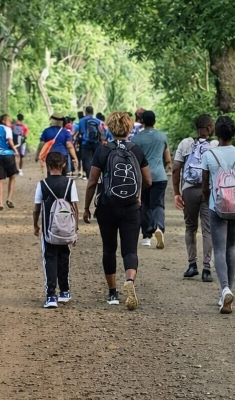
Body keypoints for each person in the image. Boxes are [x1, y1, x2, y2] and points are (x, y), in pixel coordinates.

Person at [83, 111, 152, 309]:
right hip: (131, 207)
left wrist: (87, 207)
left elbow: (92, 182)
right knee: (129, 250)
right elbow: (148, 180)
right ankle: (129, 281)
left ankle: (112, 293)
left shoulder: (102, 150)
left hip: (107, 206)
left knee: (109, 248)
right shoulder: (136, 150)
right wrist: (137, 193)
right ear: (130, 128)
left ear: (110, 129)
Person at [202, 116, 235, 314]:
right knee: (232, 247)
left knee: (218, 249)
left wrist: (205, 201)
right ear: (233, 133)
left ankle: (224, 289)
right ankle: (228, 291)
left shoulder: (209, 155)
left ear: (216, 132)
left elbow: (205, 184)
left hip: (216, 206)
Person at [172, 114, 217, 282]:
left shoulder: (186, 143)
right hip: (208, 191)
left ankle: (192, 265)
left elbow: (176, 169)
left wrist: (177, 192)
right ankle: (206, 268)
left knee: (190, 228)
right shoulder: (215, 145)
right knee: (208, 229)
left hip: (189, 191)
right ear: (209, 127)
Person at [33, 151, 79, 308]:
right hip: (66, 230)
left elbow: (36, 208)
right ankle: (65, 291)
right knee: (64, 258)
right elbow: (75, 207)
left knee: (50, 260)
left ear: (47, 165)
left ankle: (51, 295)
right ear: (64, 165)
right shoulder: (70, 183)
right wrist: (75, 229)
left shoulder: (42, 184)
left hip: (49, 231)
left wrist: (36, 225)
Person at [132, 109, 171, 249]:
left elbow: (134, 159)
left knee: (145, 205)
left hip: (143, 176)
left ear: (141, 121)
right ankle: (159, 227)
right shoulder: (162, 137)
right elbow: (167, 158)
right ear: (154, 121)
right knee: (158, 204)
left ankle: (146, 236)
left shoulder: (137, 138)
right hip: (160, 176)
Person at [74, 105, 105, 179]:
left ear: (86, 112)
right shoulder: (98, 121)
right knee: (96, 159)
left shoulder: (81, 120)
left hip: (85, 143)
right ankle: (97, 175)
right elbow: (102, 132)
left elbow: (80, 131)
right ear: (93, 112)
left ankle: (89, 176)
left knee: (86, 160)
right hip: (96, 143)